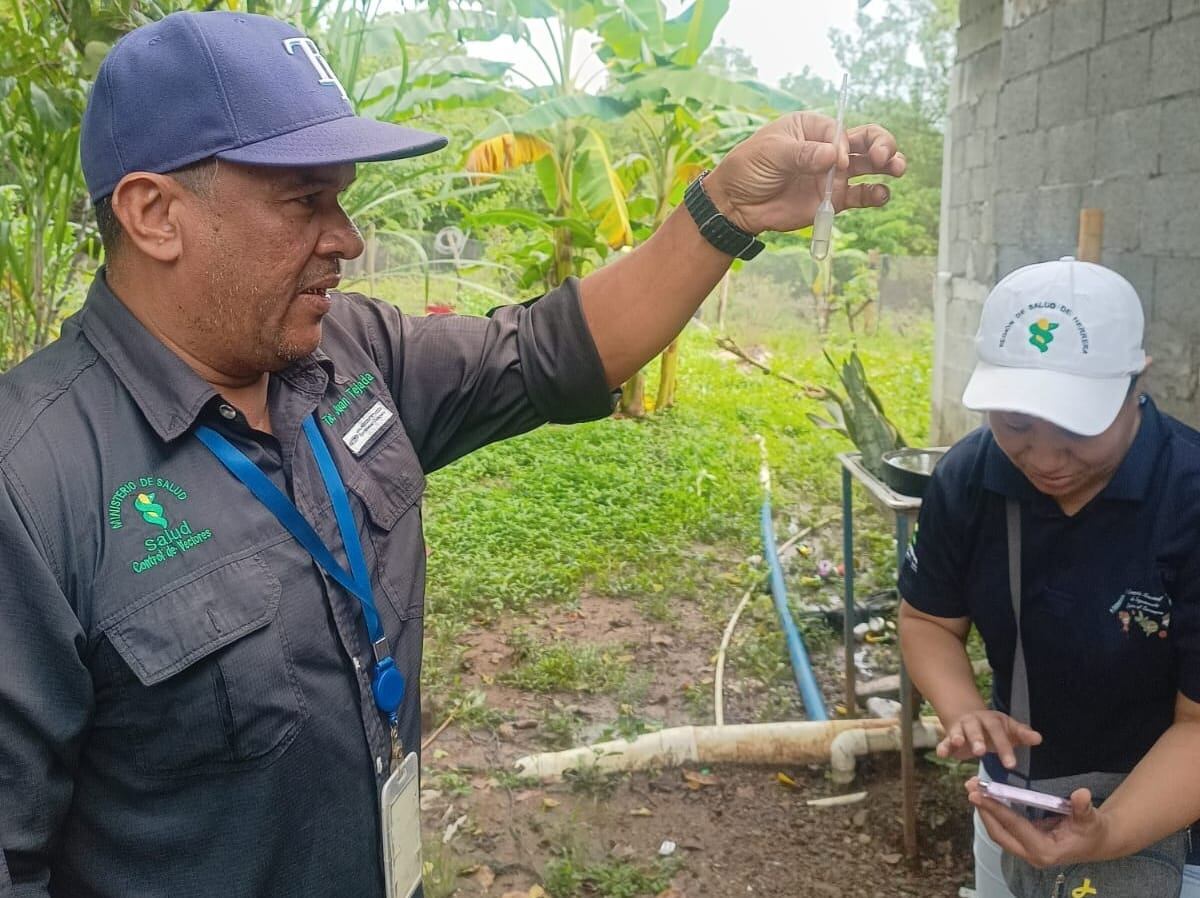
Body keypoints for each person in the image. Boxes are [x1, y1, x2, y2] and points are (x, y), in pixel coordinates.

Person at [0, 11, 905, 898]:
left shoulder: (349, 355)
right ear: (155, 214)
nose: (346, 237)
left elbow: (552, 351)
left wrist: (728, 208)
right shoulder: (32, 482)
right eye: (305, 200)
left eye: (344, 197)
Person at [898, 257, 1200, 897]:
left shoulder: (1188, 499)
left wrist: (1109, 831)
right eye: (1015, 424)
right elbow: (927, 621)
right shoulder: (970, 479)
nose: (1044, 457)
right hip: (1021, 804)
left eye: (1076, 429)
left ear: (1135, 385)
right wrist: (966, 711)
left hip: (1176, 822)